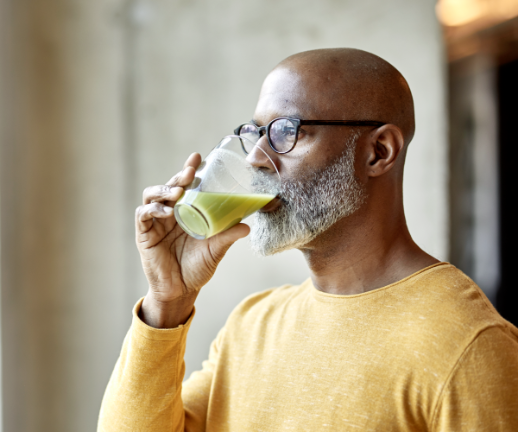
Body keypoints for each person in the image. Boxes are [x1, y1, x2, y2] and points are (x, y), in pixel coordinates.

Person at [98, 48, 518, 431]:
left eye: (285, 131)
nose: (255, 157)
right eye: (255, 132)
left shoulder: (468, 344)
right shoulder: (252, 325)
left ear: (379, 152)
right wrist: (167, 300)